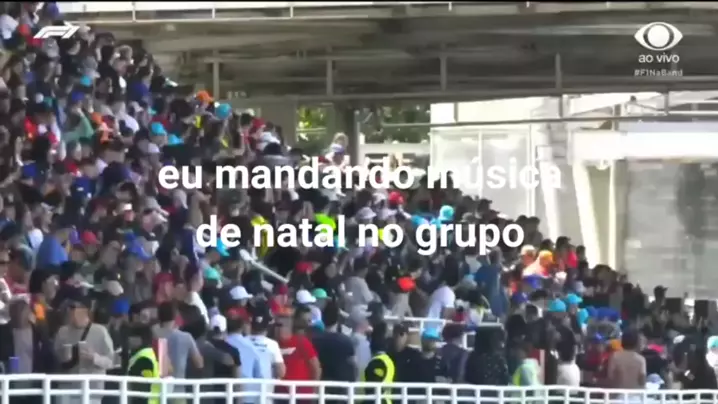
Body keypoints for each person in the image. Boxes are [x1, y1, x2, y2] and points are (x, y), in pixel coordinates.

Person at [126, 324, 160, 404]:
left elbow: (141, 388)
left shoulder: (143, 358)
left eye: (131, 337)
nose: (128, 340)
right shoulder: (148, 354)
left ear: (140, 339)